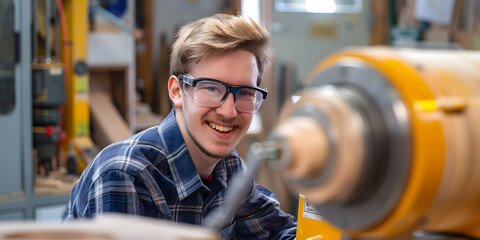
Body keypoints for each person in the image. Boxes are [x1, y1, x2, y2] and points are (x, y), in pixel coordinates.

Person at [64, 14, 297, 239]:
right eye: (212, 88)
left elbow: (280, 231)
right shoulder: (126, 174)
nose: (229, 111)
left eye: (245, 92)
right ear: (177, 91)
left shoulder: (230, 168)